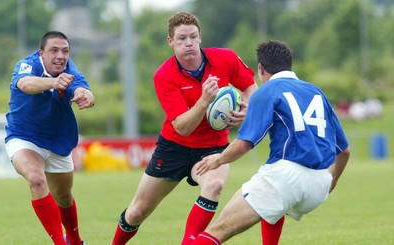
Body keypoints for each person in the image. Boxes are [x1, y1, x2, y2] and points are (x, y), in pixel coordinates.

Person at [111, 12, 258, 245]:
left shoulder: (226, 58)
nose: (188, 43)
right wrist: (204, 101)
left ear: (200, 37)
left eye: (193, 36)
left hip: (213, 147)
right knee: (137, 212)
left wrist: (247, 110)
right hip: (174, 147)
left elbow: (251, 88)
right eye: (181, 39)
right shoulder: (164, 75)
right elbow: (182, 127)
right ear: (171, 41)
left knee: (214, 184)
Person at [190, 40, 351, 245]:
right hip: (320, 183)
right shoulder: (316, 91)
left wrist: (218, 160)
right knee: (273, 206)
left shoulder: (266, 91)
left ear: (261, 68)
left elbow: (243, 145)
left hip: (287, 177)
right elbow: (344, 151)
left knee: (217, 231)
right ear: (289, 65)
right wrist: (333, 179)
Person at [4, 31, 95, 245]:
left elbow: (84, 89)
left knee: (63, 197)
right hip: (24, 137)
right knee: (36, 180)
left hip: (58, 141)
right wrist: (53, 83)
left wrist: (86, 97)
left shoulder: (69, 71)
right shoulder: (27, 65)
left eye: (65, 51)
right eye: (54, 50)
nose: (60, 55)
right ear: (41, 53)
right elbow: (26, 84)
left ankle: (74, 240)